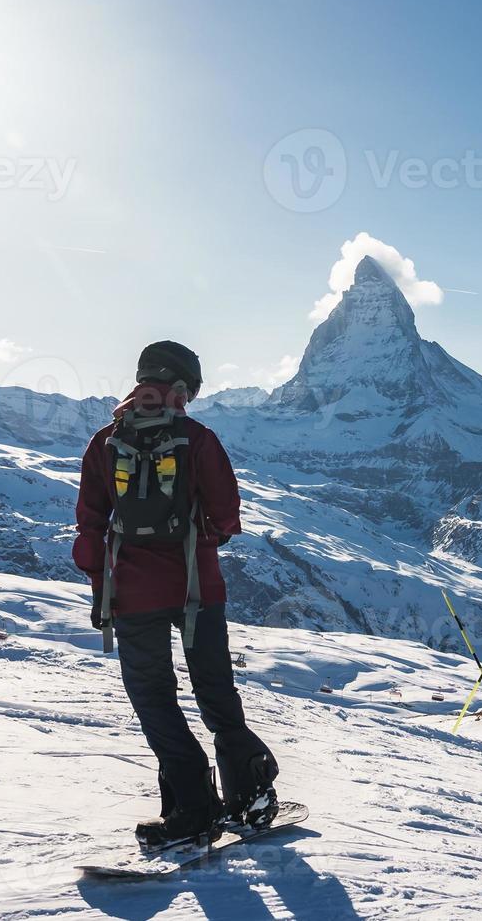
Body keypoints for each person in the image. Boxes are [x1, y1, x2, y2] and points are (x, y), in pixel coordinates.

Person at [74, 340, 279, 846]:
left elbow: (90, 526)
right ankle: (248, 791)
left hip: (131, 594)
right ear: (186, 387)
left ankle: (192, 806)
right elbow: (227, 513)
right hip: (198, 588)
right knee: (214, 690)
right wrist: (202, 542)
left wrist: (104, 588)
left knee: (153, 698)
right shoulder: (197, 438)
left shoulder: (105, 440)